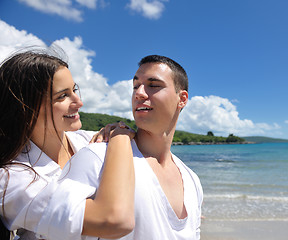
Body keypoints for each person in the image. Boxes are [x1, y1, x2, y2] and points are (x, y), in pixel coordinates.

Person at [53, 55, 203, 240]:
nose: (139, 93)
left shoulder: (191, 179)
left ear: (182, 99)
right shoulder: (98, 157)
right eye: (135, 86)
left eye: (153, 85)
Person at [0, 50, 135, 240]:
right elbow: (112, 221)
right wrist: (120, 138)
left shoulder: (86, 140)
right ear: (25, 109)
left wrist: (119, 129)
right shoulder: (13, 180)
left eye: (75, 90)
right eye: (62, 96)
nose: (79, 102)